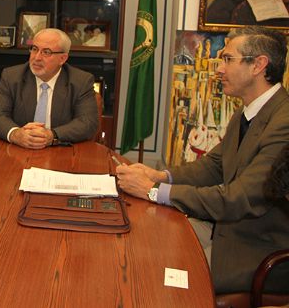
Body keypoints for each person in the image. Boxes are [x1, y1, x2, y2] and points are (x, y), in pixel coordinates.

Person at [116, 26, 289, 294]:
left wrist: (153, 191)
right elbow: (214, 165)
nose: (219, 69)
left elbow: (238, 198)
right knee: (144, 245)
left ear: (258, 65)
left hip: (256, 252)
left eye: (228, 59)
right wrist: (159, 176)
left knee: (159, 284)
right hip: (226, 231)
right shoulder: (246, 113)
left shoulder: (283, 123)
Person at [0, 28, 98, 149]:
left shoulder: (81, 81)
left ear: (62, 58)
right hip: (19, 150)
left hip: (61, 151)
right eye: (34, 49)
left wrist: (52, 135)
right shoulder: (12, 77)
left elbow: (88, 122)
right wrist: (15, 134)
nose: (37, 57)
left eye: (46, 52)